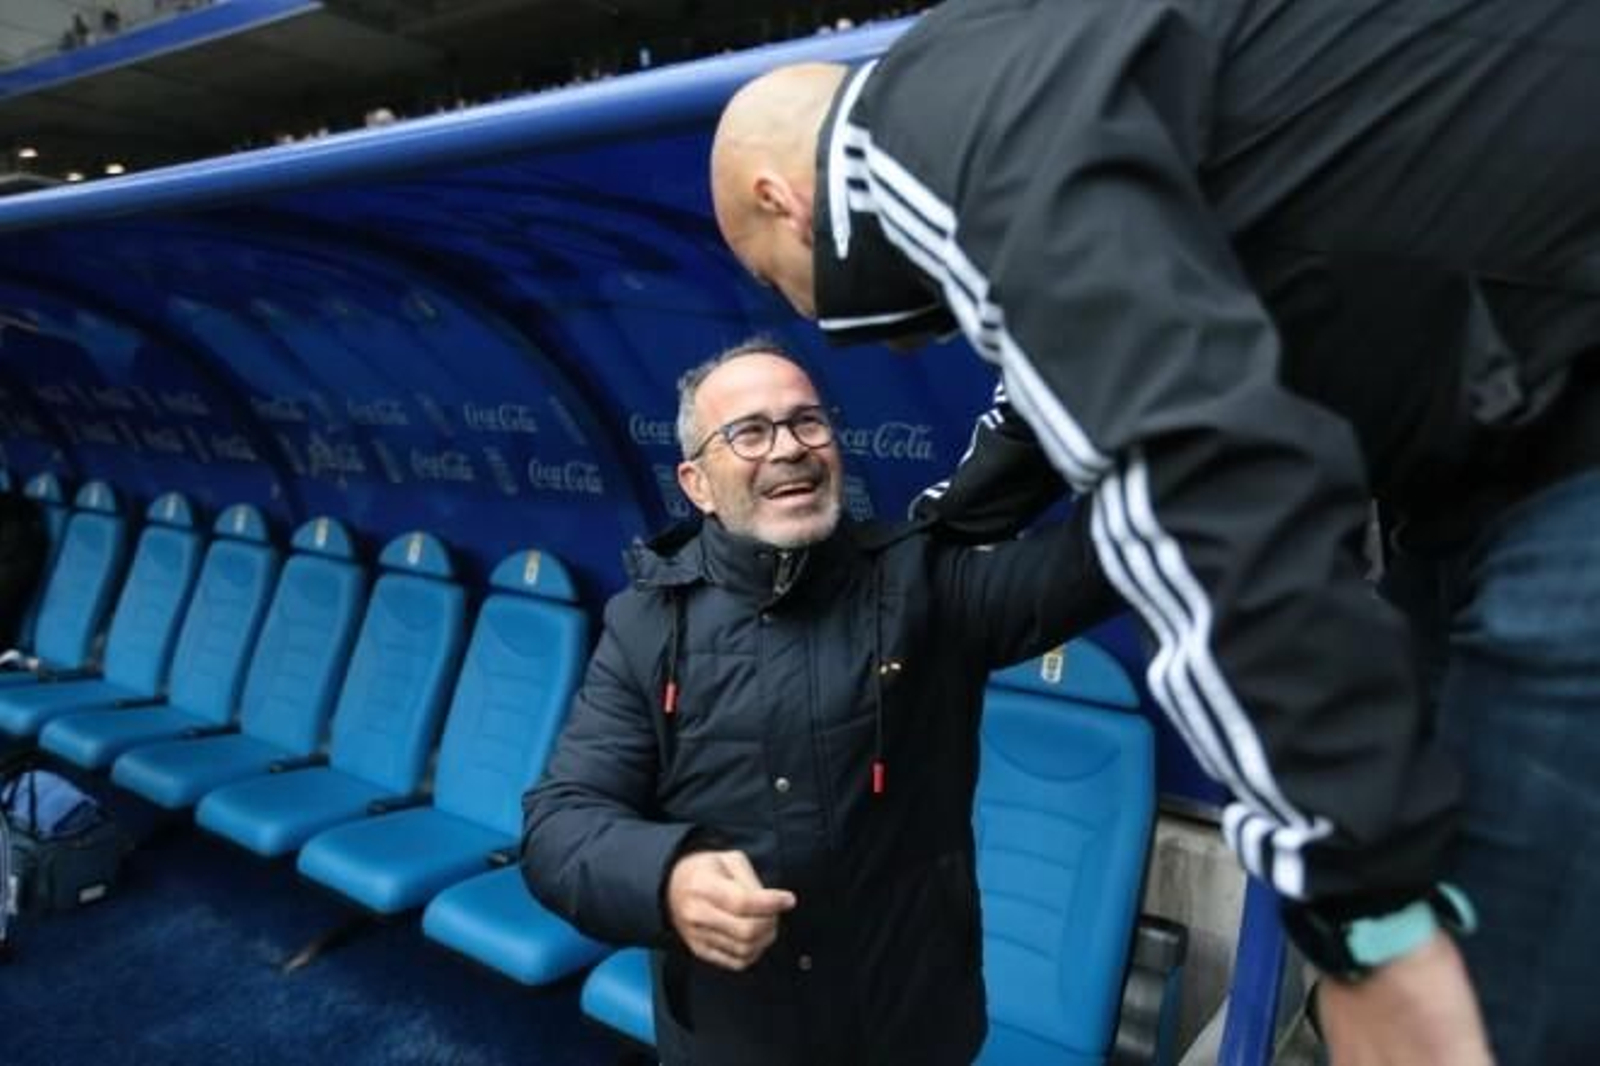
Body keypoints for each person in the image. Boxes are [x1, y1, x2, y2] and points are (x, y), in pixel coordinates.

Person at [708, 5, 1600, 1064]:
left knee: (1494, 1000)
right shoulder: (1014, 80)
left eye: (774, 282)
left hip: (1561, 439)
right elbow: (1067, 402)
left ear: (788, 203)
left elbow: (1192, 476)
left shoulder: (919, 138)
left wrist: (1366, 919)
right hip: (1481, 449)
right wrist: (928, 535)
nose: (805, 317)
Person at [521, 342, 1118, 1066]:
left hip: (912, 1029)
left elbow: (1114, 550)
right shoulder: (648, 626)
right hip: (737, 1042)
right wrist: (665, 879)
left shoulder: (922, 585)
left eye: (808, 423)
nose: (789, 449)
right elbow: (560, 824)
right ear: (697, 483)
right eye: (749, 432)